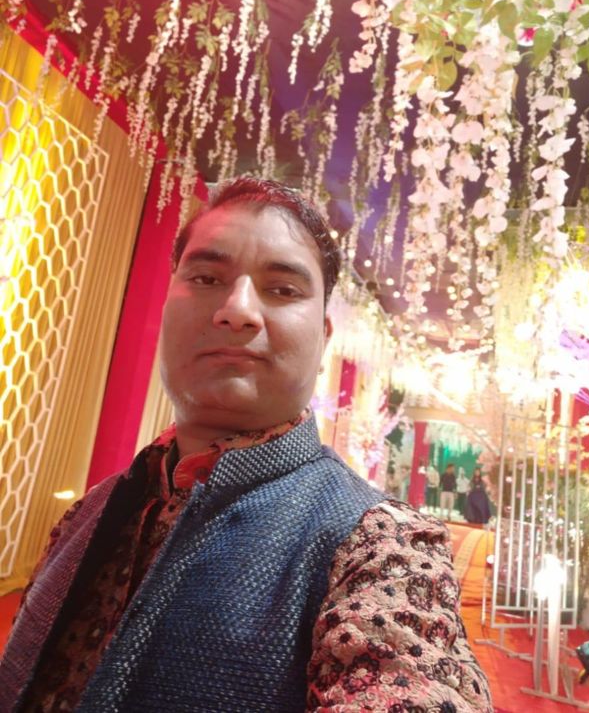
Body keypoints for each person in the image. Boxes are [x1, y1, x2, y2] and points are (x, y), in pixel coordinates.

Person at [0, 177, 492, 712]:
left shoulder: (382, 546)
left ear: (324, 337)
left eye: (282, 290)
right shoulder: (89, 510)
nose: (237, 310)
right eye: (207, 278)